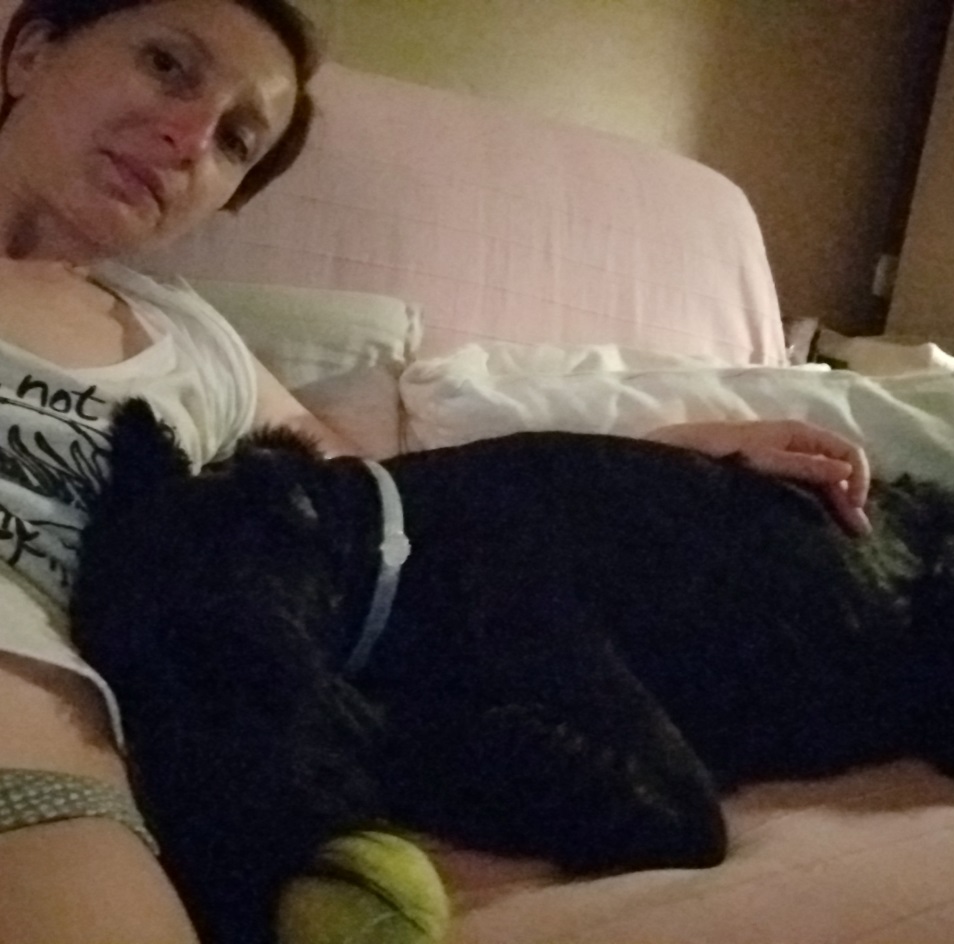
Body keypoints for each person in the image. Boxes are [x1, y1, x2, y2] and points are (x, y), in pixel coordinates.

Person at [0, 0, 871, 940]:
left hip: (81, 715)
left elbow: (389, 508)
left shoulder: (193, 342)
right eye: (169, 66)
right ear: (33, 52)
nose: (188, 137)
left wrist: (656, 457)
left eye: (235, 141)